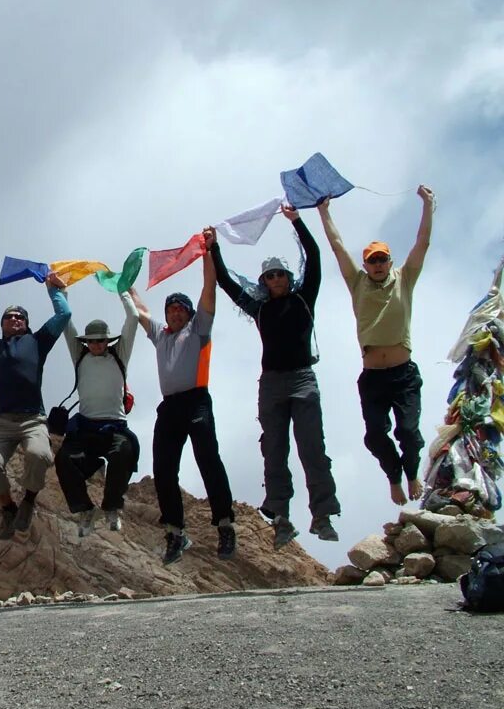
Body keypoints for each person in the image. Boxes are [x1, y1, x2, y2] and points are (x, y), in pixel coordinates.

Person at [210, 209, 340, 549]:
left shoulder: (303, 297)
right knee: (274, 450)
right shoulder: (261, 309)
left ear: (288, 277)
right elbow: (225, 283)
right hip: (271, 384)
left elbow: (314, 256)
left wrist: (296, 220)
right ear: (264, 282)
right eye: (270, 276)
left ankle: (322, 514)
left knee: (312, 446)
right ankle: (281, 519)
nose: (276, 279)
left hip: (302, 379)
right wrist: (213, 248)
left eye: (280, 274)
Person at [318, 185, 435, 506]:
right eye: (373, 261)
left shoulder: (405, 278)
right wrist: (323, 211)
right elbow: (338, 247)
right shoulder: (357, 283)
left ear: (390, 261)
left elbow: (422, 244)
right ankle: (394, 476)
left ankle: (411, 474)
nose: (378, 265)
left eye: (382, 259)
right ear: (366, 265)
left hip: (404, 375)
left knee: (409, 434)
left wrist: (428, 205)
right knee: (374, 436)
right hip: (373, 377)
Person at [130, 237, 236, 564]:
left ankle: (224, 525)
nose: (175, 313)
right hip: (169, 408)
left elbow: (209, 289)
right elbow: (140, 310)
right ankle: (176, 533)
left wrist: (207, 254)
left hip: (196, 402)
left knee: (208, 458)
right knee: (163, 470)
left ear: (189, 314)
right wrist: (125, 285)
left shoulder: (198, 329)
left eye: (180, 309)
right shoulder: (160, 334)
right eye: (171, 309)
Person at [0, 273, 71, 539]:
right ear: (2, 324)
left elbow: (63, 315)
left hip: (33, 419)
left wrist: (53, 289)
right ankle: (8, 508)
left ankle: (29, 500)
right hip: (2, 423)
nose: (14, 320)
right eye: (9, 317)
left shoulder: (38, 342)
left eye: (20, 317)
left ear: (26, 324)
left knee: (40, 456)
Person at [54, 290, 139, 536]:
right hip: (85, 428)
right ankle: (85, 510)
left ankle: (112, 507)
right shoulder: (80, 356)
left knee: (123, 453)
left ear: (108, 341)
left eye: (100, 340)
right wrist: (60, 294)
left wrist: (123, 291)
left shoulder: (120, 355)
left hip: (115, 427)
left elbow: (132, 319)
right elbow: (65, 321)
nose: (95, 345)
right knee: (63, 460)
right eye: (91, 341)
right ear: (85, 342)